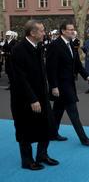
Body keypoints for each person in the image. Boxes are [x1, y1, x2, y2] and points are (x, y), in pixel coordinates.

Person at [10, 20, 58, 170]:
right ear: (32, 33)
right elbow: (19, 78)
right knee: (25, 130)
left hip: (41, 96)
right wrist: (32, 99)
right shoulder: (19, 49)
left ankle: (42, 155)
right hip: (24, 99)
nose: (45, 33)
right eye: (42, 31)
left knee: (47, 126)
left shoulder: (38, 47)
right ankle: (27, 160)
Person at [46, 20, 89, 146]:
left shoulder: (71, 45)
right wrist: (53, 86)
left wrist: (87, 76)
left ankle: (52, 134)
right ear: (63, 31)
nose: (73, 31)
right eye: (70, 29)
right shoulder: (55, 45)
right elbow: (50, 68)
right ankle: (84, 139)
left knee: (57, 112)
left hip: (69, 84)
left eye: (73, 29)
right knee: (73, 113)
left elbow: (77, 64)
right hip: (61, 86)